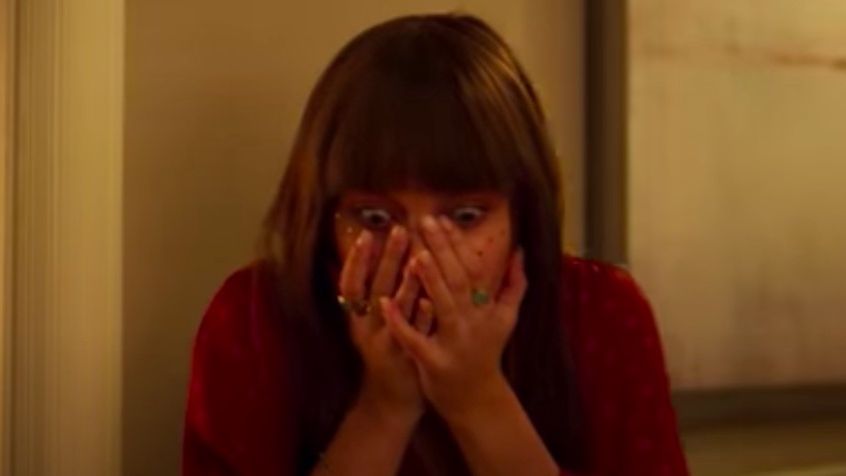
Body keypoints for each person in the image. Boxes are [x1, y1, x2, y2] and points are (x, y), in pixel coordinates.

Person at [182, 12, 689, 476]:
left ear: (521, 215)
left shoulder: (601, 314)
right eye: (375, 218)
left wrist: (478, 397)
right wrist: (384, 406)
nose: (420, 258)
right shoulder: (255, 320)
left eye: (464, 217)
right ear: (323, 219)